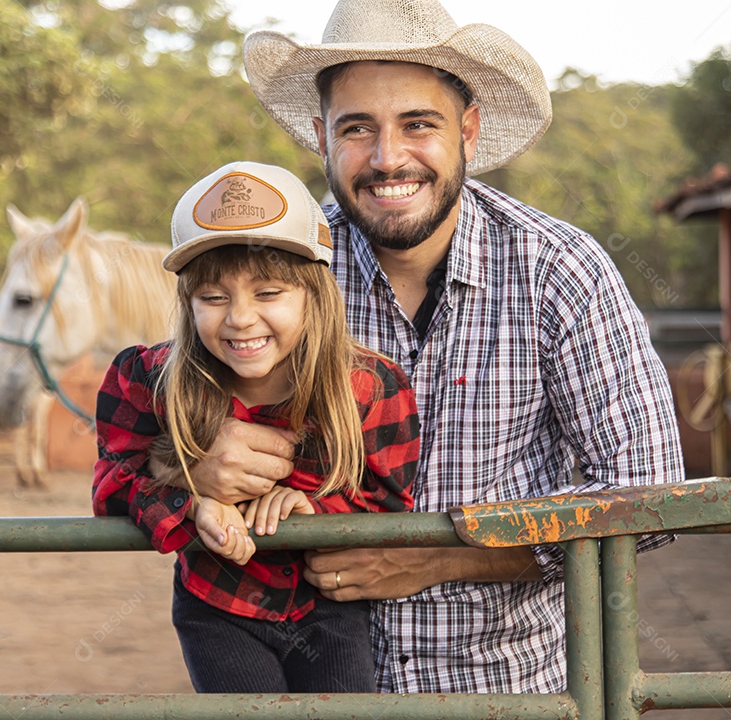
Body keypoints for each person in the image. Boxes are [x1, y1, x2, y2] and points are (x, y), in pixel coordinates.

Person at [159, 0, 685, 695]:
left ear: (468, 128)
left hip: (514, 693)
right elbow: (150, 422)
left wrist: (442, 556)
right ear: (320, 136)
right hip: (321, 694)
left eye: (418, 124)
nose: (387, 158)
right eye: (356, 129)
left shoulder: (561, 270)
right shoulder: (270, 280)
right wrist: (192, 465)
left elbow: (650, 493)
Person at [91, 161, 420, 694]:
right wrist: (192, 500)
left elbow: (390, 499)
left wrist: (314, 510)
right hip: (216, 605)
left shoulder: (369, 387)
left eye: (268, 294)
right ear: (188, 302)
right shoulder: (148, 380)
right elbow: (111, 486)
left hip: (330, 610)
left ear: (315, 295)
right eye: (213, 298)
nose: (240, 318)